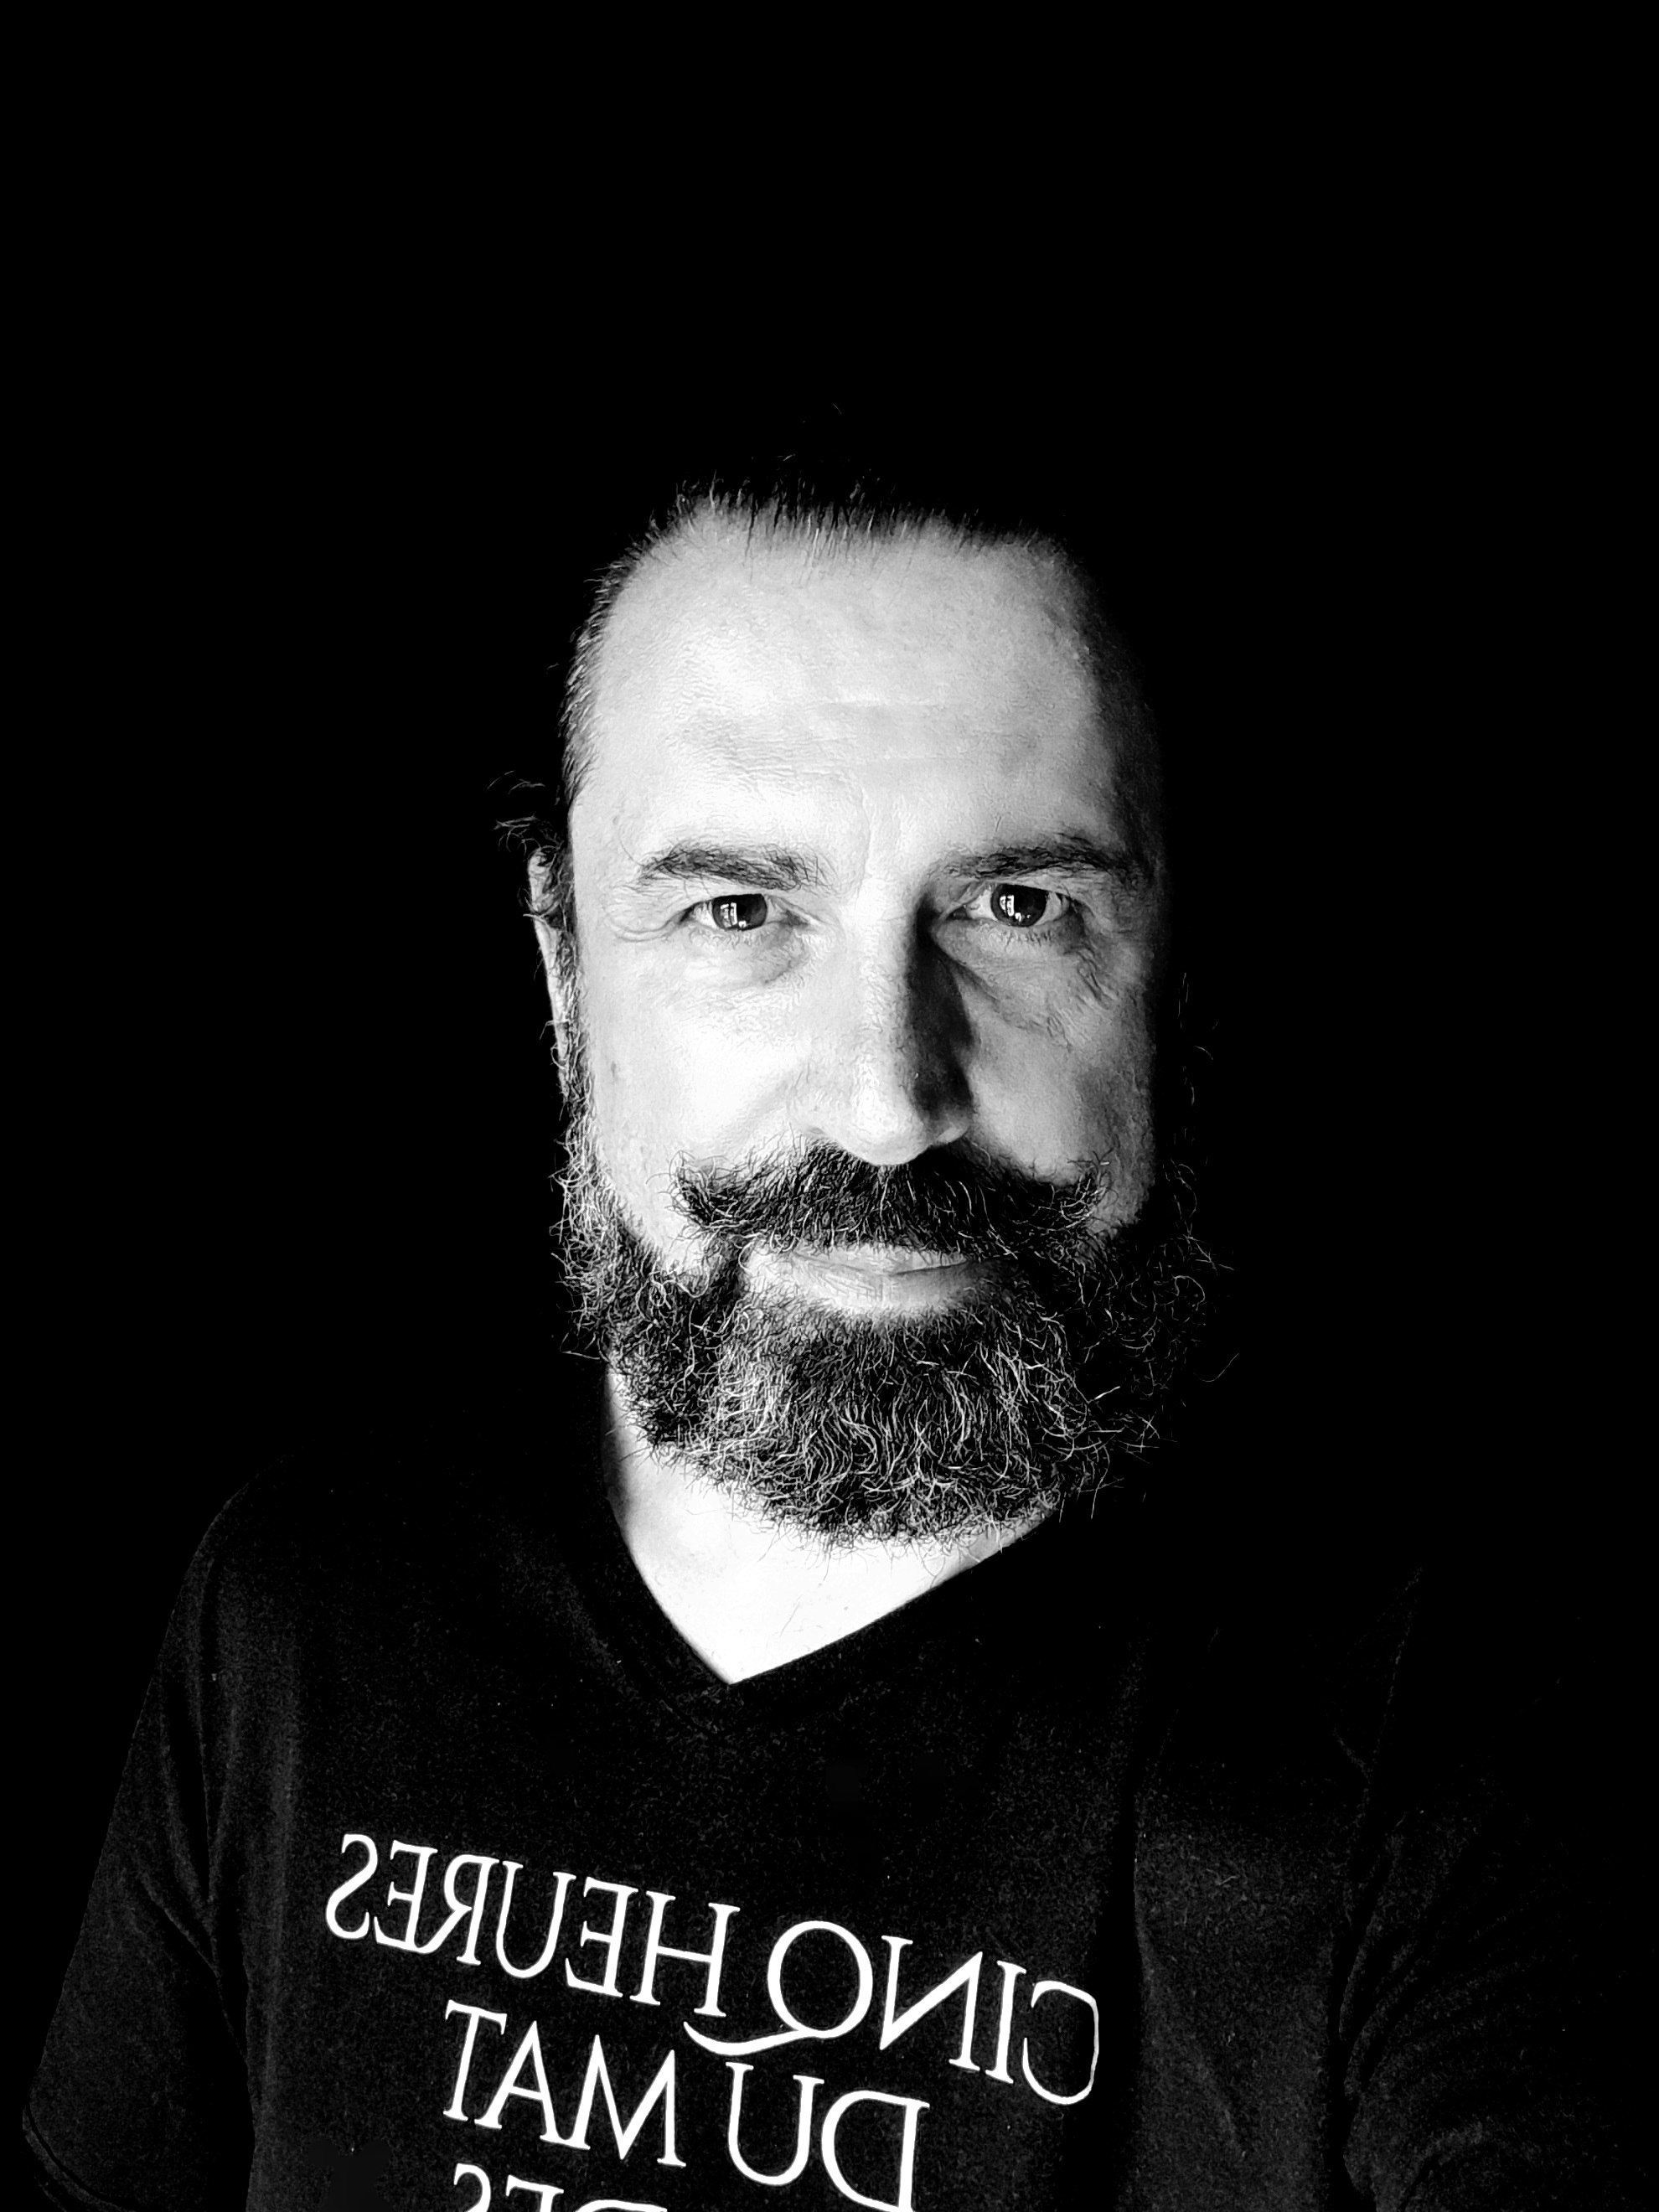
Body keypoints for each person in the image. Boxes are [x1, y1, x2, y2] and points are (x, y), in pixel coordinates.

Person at [24, 472, 1633, 2210]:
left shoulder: (1438, 1759)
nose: (887, 1102)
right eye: (741, 913)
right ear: (562, 969)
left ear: (1175, 968)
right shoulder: (303, 1599)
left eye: (1017, 907)